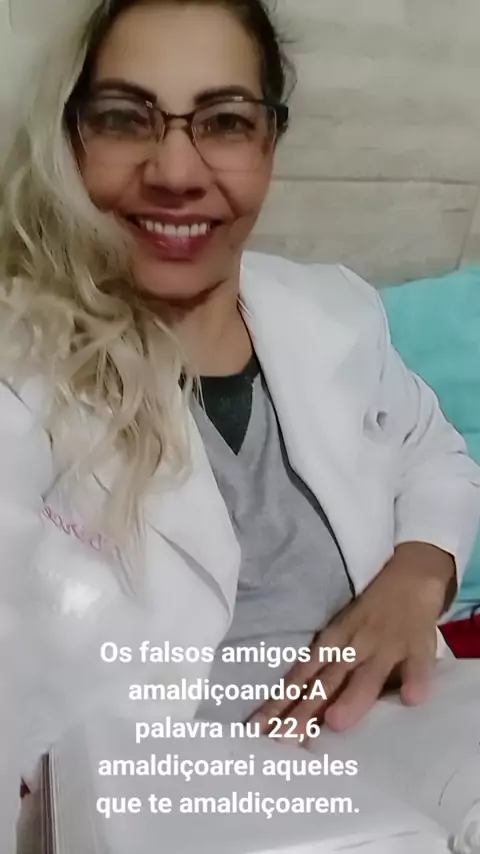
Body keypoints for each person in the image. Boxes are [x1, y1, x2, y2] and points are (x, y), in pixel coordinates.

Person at [0, 0, 479, 848]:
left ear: (269, 142)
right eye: (125, 118)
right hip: (172, 769)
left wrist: (419, 572)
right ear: (72, 137)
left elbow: (431, 452)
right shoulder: (20, 360)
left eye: (224, 121)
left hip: (393, 719)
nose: (175, 171)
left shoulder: (330, 308)